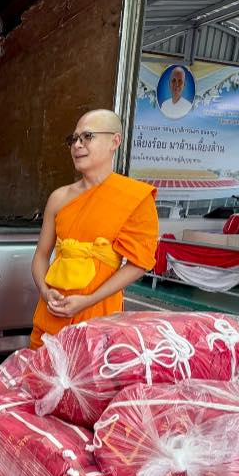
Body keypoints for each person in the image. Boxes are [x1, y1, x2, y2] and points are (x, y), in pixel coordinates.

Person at [30, 109, 159, 349]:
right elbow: (40, 256)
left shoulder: (134, 198)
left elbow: (139, 264)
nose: (77, 145)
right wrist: (46, 293)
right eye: (73, 139)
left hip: (99, 316)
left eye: (87, 137)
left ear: (114, 142)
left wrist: (89, 300)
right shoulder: (59, 198)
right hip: (53, 314)